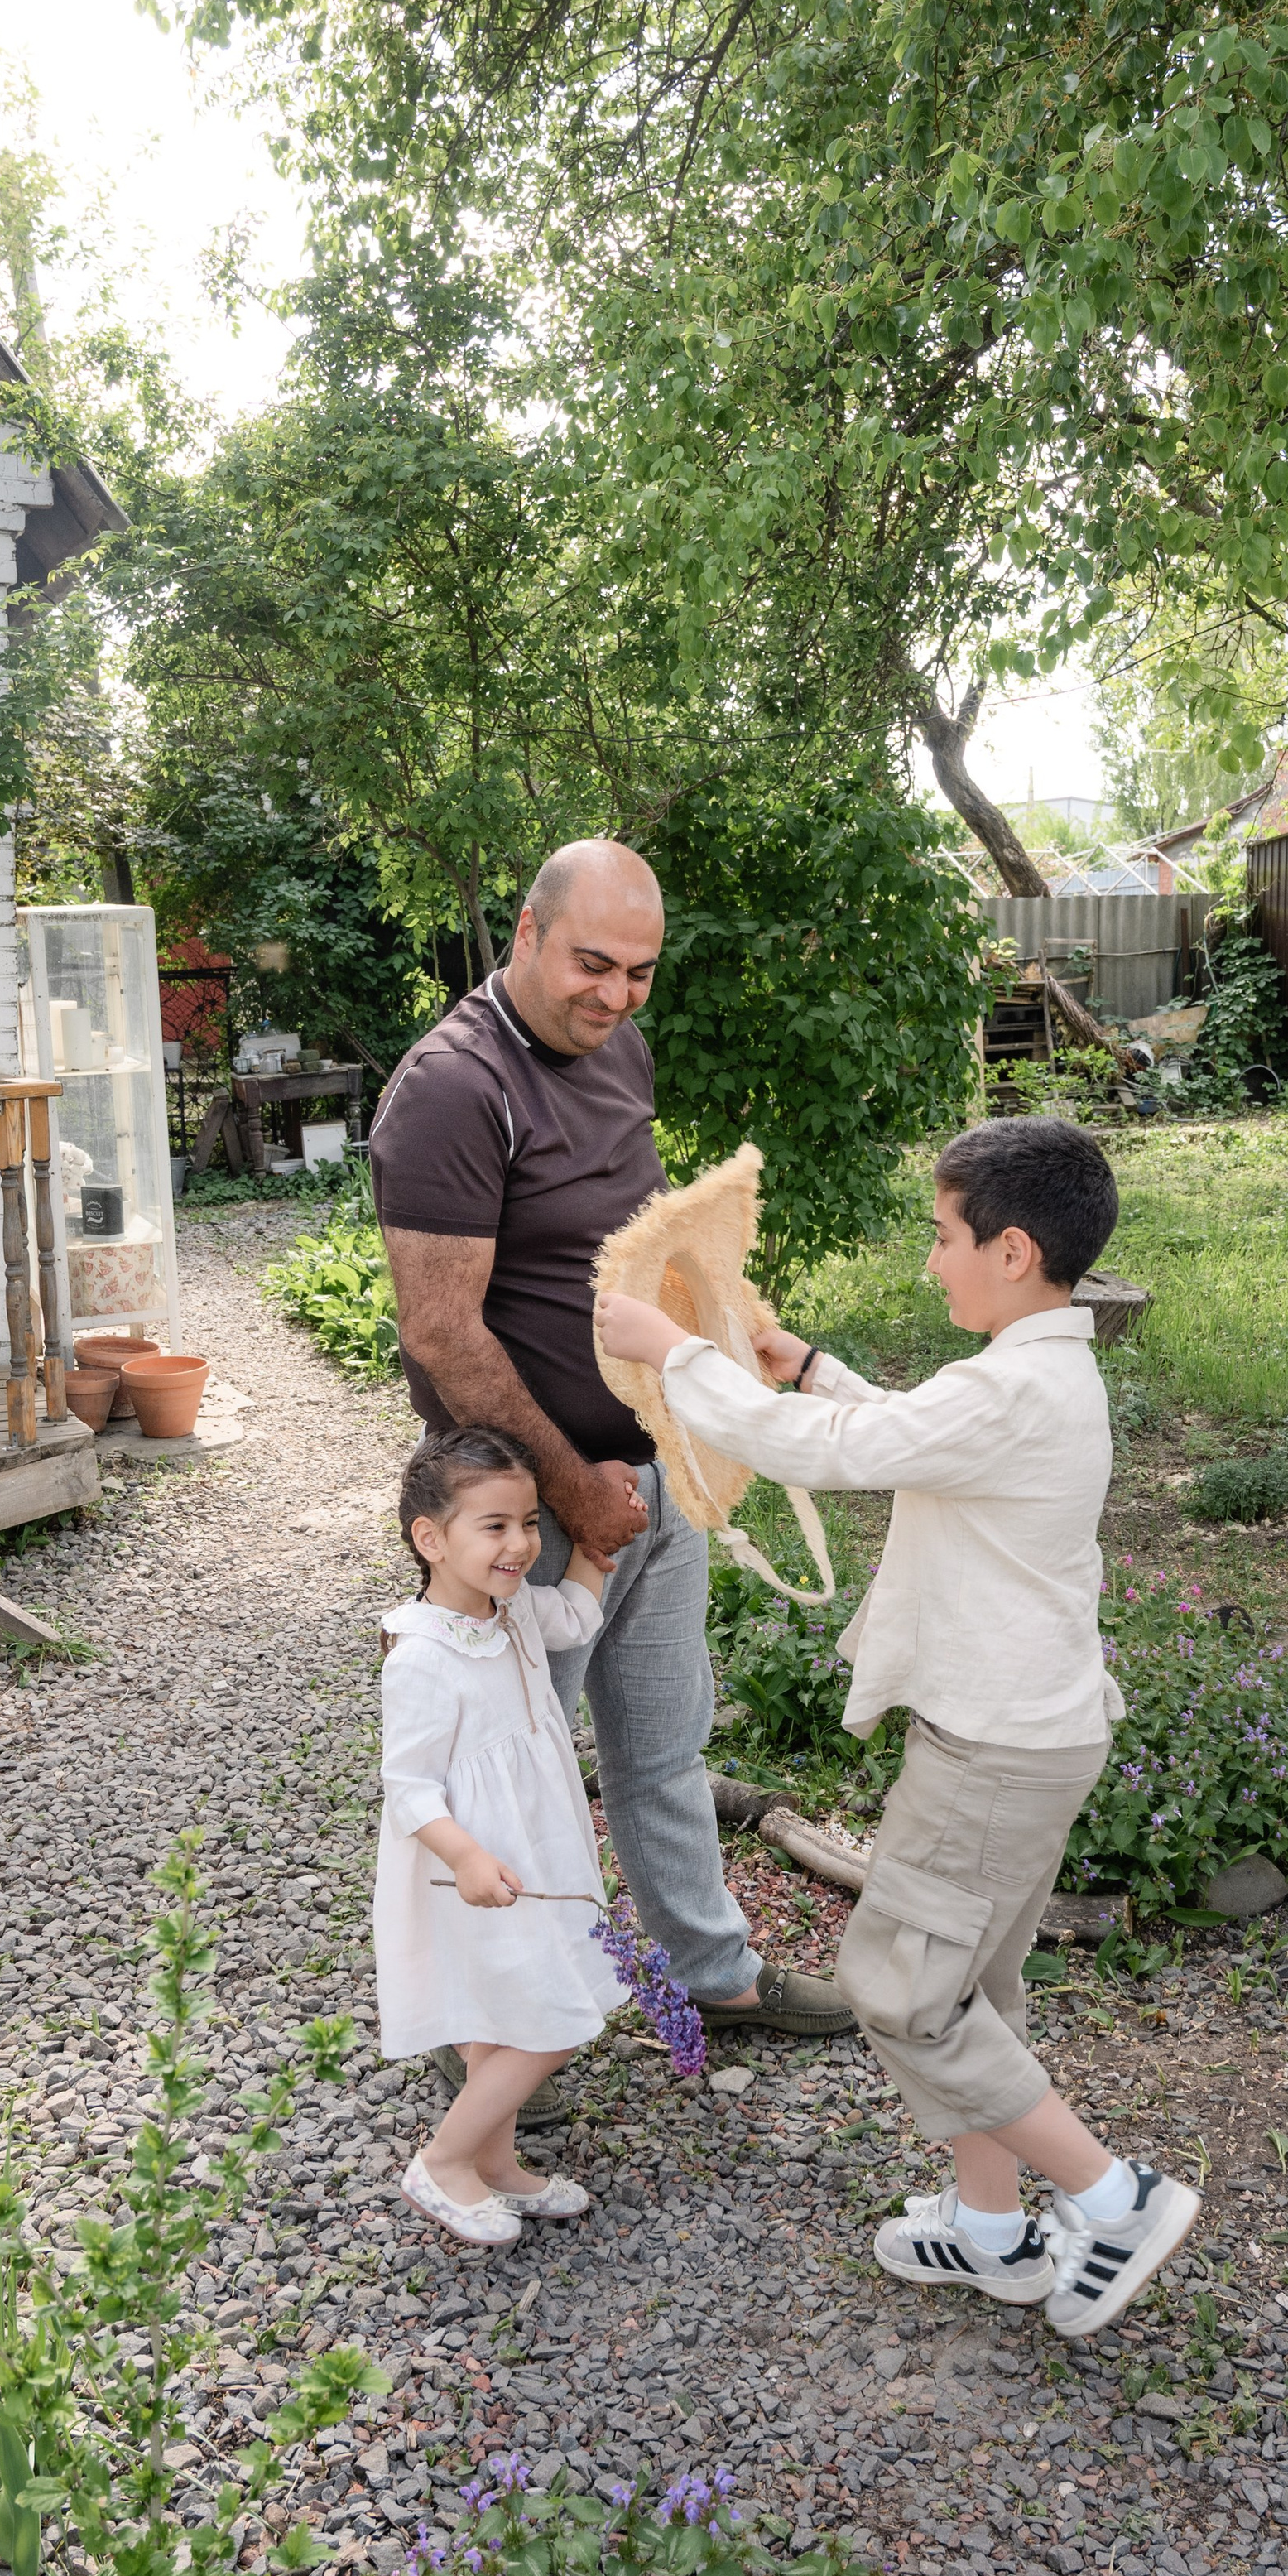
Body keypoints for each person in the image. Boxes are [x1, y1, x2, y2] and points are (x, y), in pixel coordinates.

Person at [598, 1116, 1201, 2340]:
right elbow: (912, 1441)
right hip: (1027, 1735)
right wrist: (807, 1363)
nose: (932, 1262)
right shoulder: (1032, 1378)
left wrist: (677, 1360)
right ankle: (989, 2227)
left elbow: (838, 1458)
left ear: (1014, 1251)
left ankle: (1112, 2195)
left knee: (899, 1985)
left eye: (942, 1237)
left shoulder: (1017, 1388)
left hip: (995, 1750)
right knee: (970, 1982)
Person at [369, 837, 854, 2049]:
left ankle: (713, 1975)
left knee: (664, 1745)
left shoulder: (616, 1049)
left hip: (646, 1469)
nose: (617, 994)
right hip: (520, 1513)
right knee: (498, 1778)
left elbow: (642, 1252)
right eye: (593, 962)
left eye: (640, 971)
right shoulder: (451, 1089)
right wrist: (567, 1494)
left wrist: (738, 1341)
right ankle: (483, 2031)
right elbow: (439, 1331)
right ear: (525, 933)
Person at [376, 1426, 621, 2248]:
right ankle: (442, 2160)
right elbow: (408, 1786)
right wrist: (469, 1856)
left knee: (494, 2021)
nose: (519, 1544)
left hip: (537, 1849)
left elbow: (579, 1613)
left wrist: (597, 1534)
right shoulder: (419, 1655)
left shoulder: (509, 1610)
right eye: (494, 1526)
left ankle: (496, 2164)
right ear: (430, 1539)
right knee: (552, 2017)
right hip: (477, 1867)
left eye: (528, 1523)